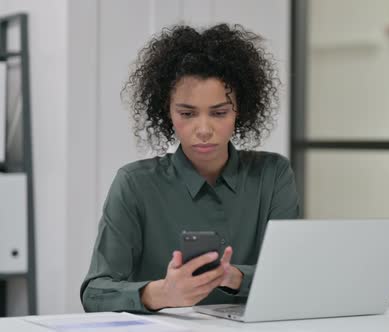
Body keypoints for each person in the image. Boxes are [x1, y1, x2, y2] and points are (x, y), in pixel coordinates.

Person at [80, 24, 300, 313]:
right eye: (187, 113)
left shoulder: (273, 175)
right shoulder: (134, 183)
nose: (204, 129)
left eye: (219, 113)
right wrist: (159, 293)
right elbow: (95, 293)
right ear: (167, 112)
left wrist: (233, 277)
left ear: (240, 111)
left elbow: (291, 280)